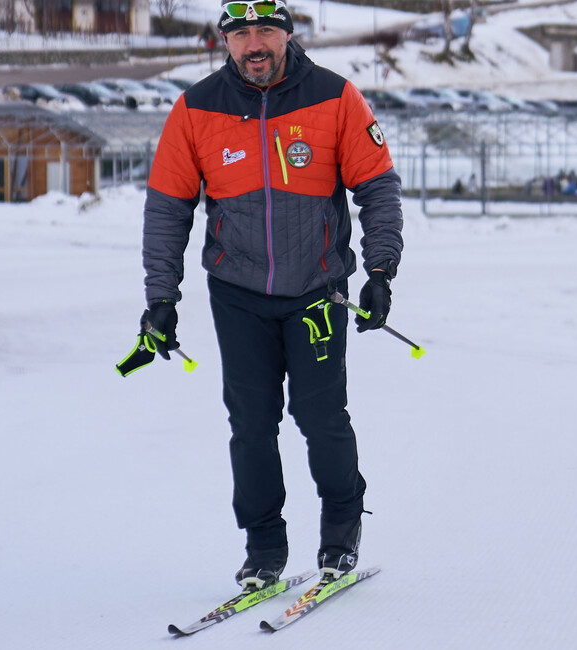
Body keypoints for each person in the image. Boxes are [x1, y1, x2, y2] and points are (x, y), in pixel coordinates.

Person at [138, 0, 404, 589]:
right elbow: (167, 209)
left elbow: (378, 187)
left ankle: (340, 529)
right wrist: (162, 296)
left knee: (319, 416)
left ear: (286, 34)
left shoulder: (336, 97)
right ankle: (264, 547)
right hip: (238, 291)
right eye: (241, 34)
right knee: (251, 424)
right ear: (225, 41)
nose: (254, 44)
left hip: (317, 291)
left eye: (266, 30)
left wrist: (380, 272)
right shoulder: (196, 108)